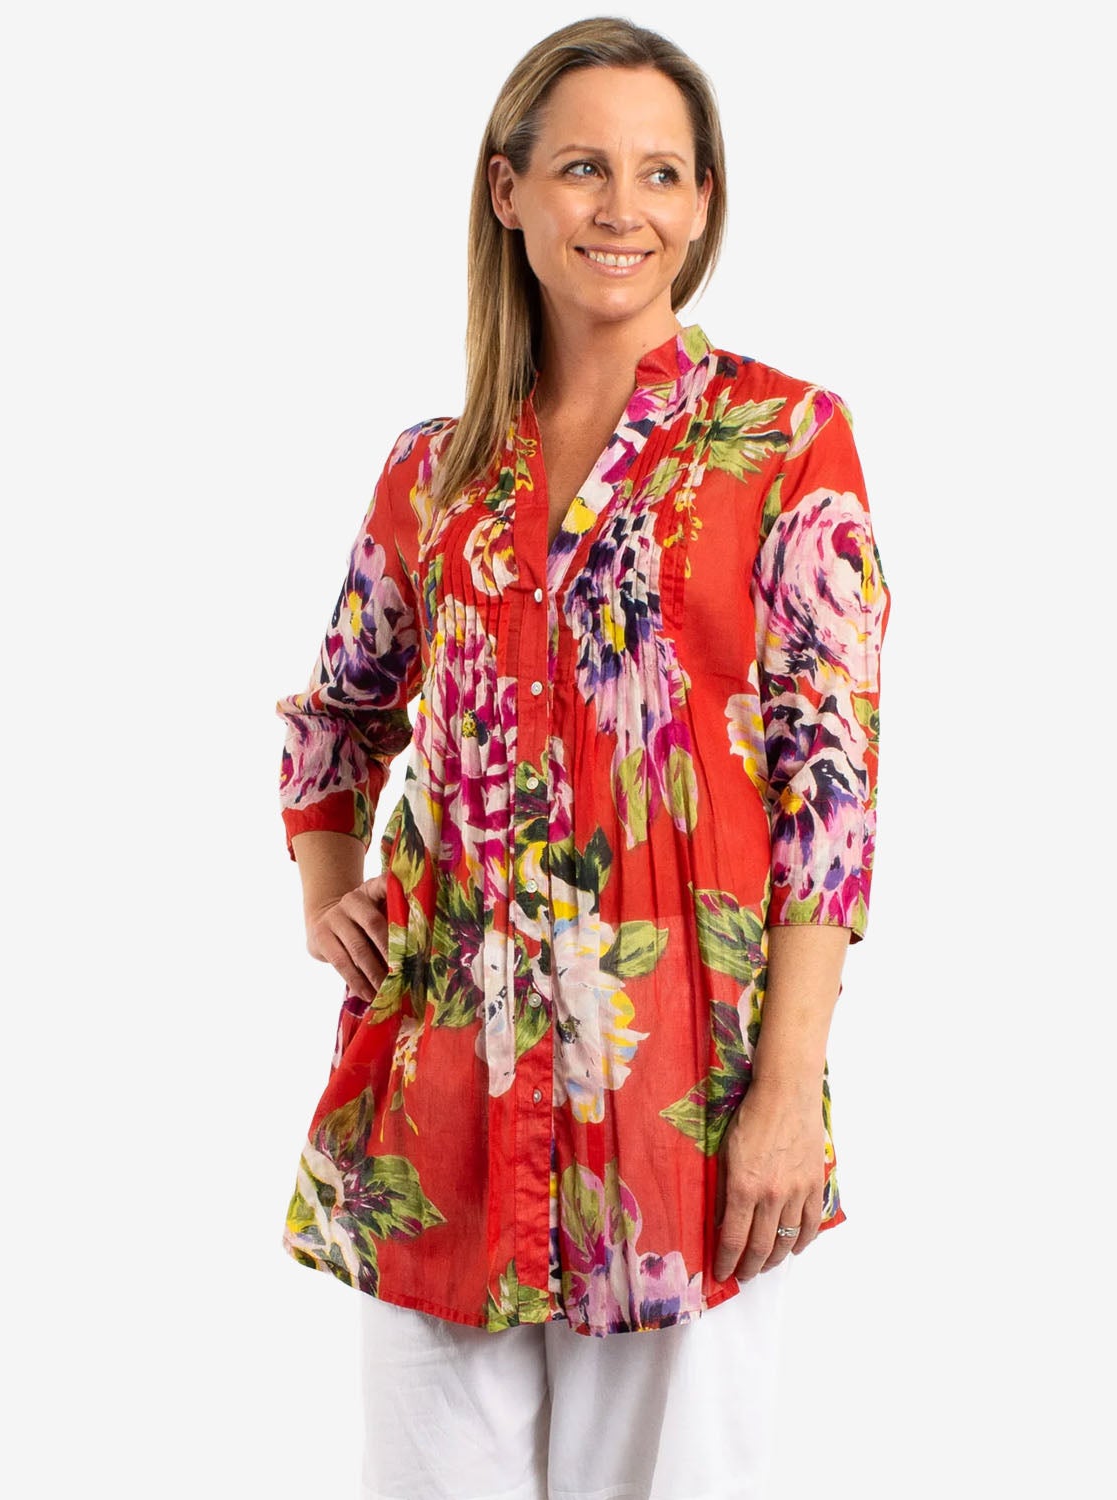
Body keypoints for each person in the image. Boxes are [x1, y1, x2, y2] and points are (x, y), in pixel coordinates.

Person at [273, 17, 892, 1500]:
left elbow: (830, 797)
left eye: (663, 172)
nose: (625, 208)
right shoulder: (434, 469)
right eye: (583, 168)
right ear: (509, 191)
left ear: (704, 200)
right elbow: (340, 716)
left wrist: (788, 1091)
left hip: (679, 1108)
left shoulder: (784, 443)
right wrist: (326, 889)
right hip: (439, 1096)